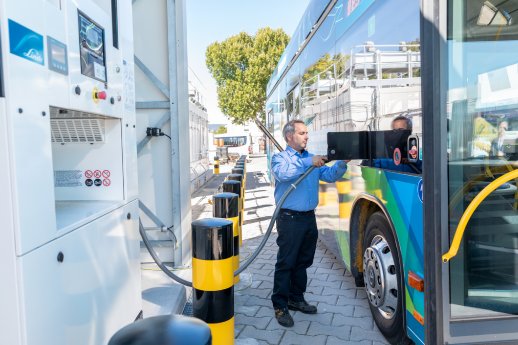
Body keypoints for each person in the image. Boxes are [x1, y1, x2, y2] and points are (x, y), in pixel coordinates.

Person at [270, 119, 348, 327]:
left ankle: (296, 299)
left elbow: (330, 175)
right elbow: (283, 174)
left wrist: (343, 162)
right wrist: (309, 162)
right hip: (289, 218)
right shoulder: (280, 158)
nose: (306, 136)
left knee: (303, 261)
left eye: (307, 133)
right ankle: (280, 305)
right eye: (302, 133)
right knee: (286, 262)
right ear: (289, 136)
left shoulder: (311, 159)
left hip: (308, 218)